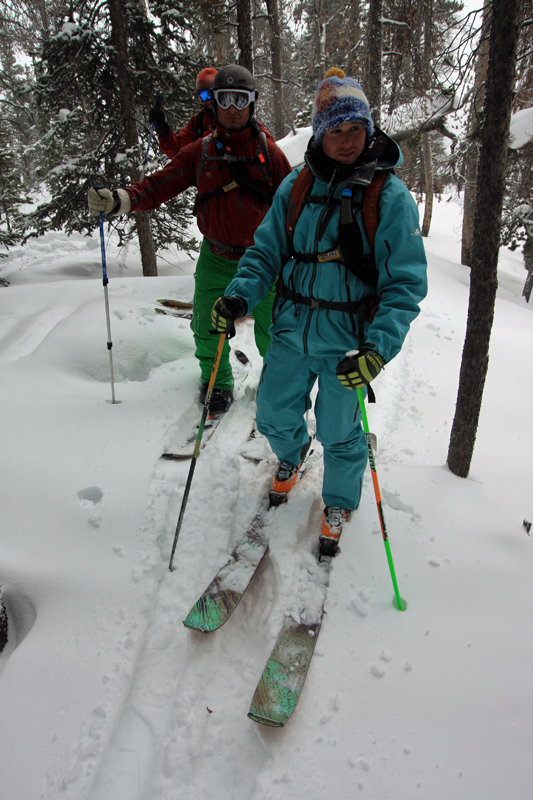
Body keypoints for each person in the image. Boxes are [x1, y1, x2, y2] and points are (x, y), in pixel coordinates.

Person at [210, 68, 428, 557]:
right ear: (320, 131)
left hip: (348, 342)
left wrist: (377, 349)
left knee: (340, 429)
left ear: (368, 130)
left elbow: (405, 286)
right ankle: (291, 456)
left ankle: (339, 499)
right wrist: (241, 295)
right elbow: (265, 251)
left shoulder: (388, 197)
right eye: (336, 129)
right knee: (272, 413)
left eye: (355, 129)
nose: (347, 140)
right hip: (290, 330)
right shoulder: (297, 185)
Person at [88, 65, 292, 412]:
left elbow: (293, 208)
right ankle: (218, 384)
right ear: (213, 102)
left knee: (273, 330)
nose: (231, 107)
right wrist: (121, 199)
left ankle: (275, 386)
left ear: (251, 103)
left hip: (263, 260)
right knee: (206, 326)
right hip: (216, 256)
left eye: (240, 99)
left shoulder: (269, 154)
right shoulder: (201, 151)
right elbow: (159, 184)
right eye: (224, 98)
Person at [149, 68, 217, 160]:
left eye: (211, 94)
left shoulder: (232, 116)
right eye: (203, 96)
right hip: (205, 171)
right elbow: (178, 151)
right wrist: (163, 130)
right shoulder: (198, 121)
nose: (208, 100)